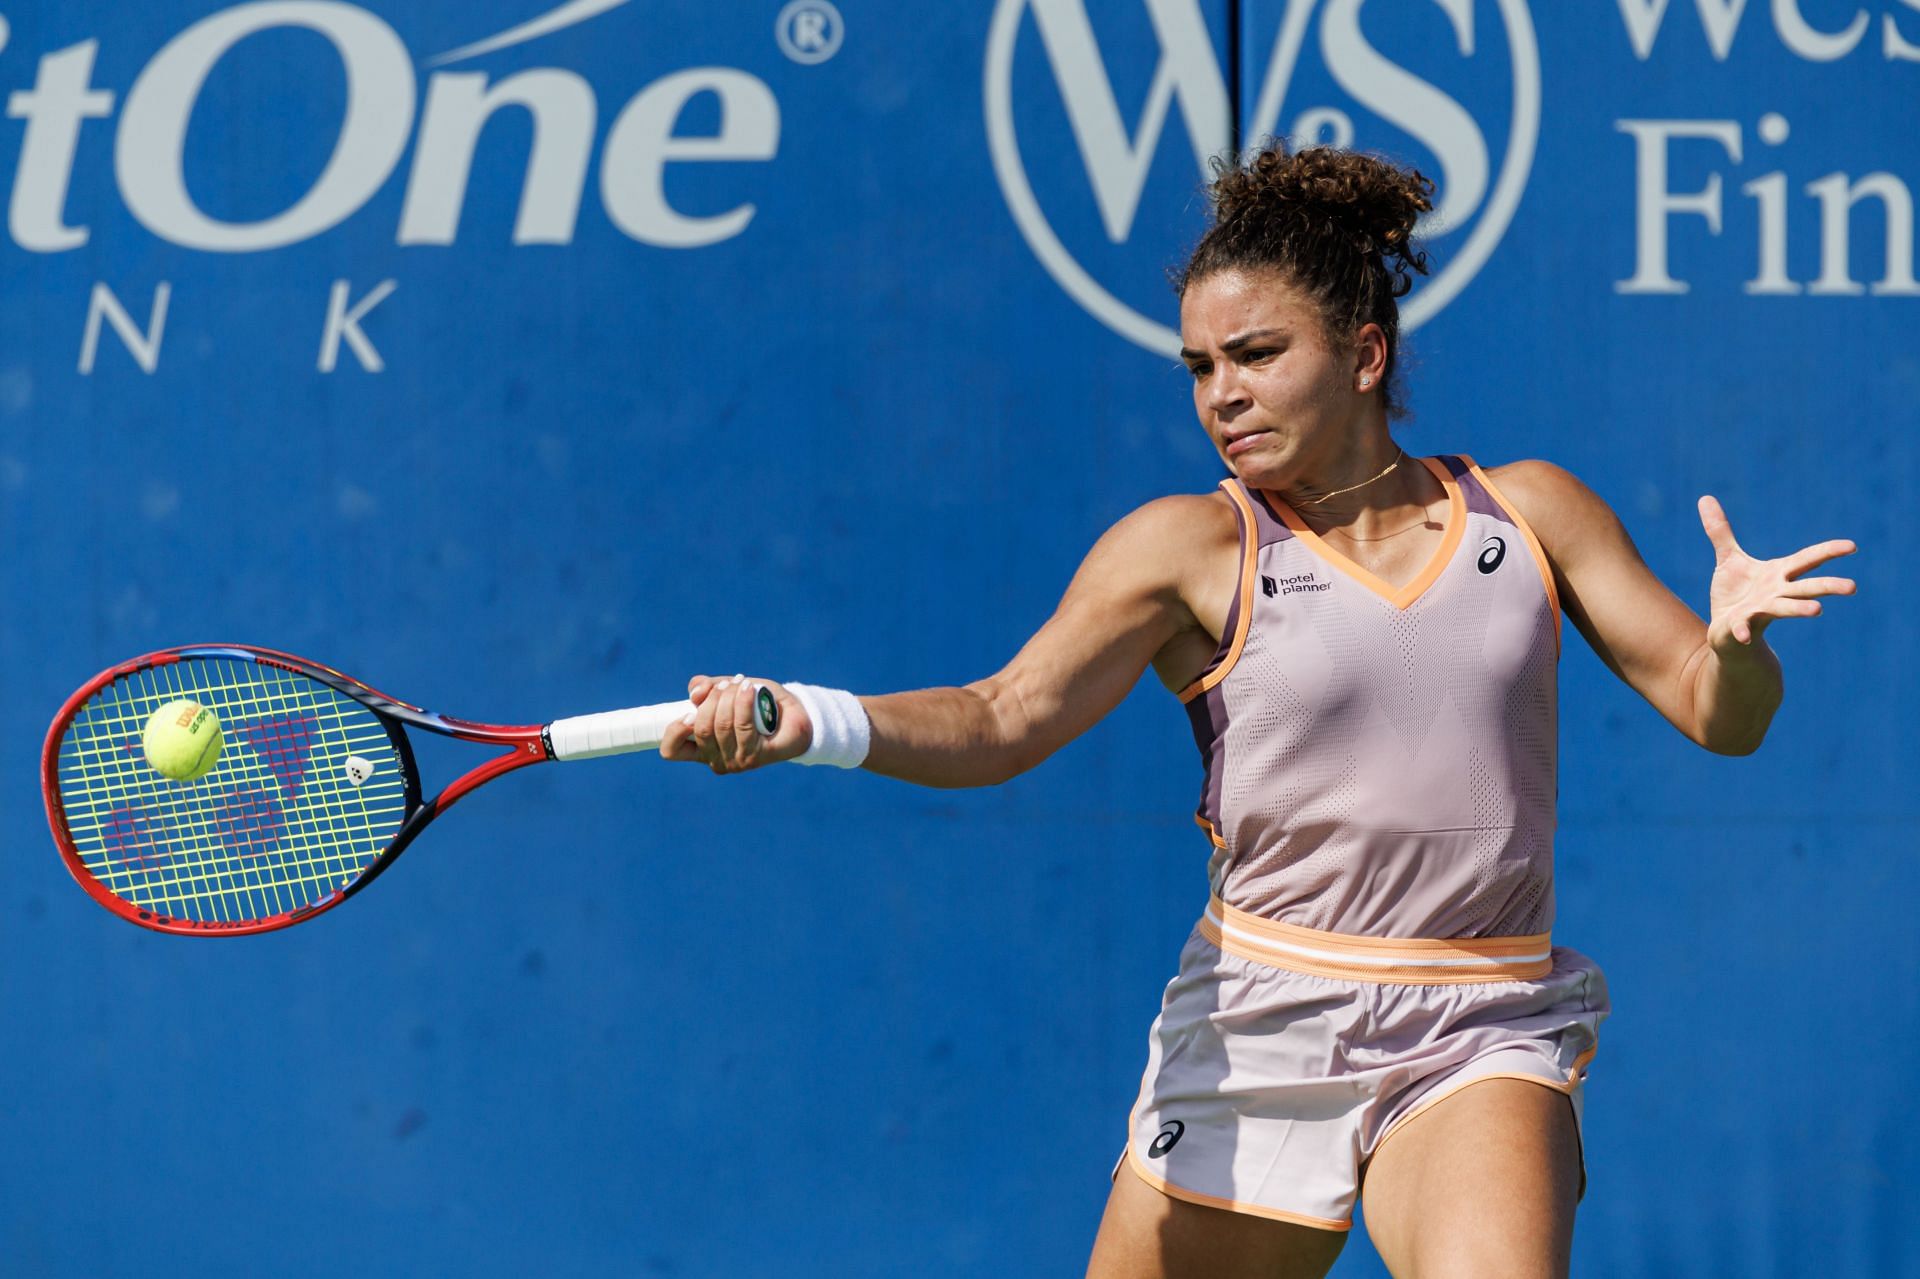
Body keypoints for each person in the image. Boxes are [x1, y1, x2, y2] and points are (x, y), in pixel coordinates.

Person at [658, 141, 1858, 1279]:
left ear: (1365, 354)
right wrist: (807, 717)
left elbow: (1722, 713)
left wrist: (1737, 645)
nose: (1221, 395)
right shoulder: (1187, 547)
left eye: (1256, 354)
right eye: (1200, 367)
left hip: (1480, 1018)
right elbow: (1001, 714)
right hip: (1258, 1019)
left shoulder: (1532, 515)